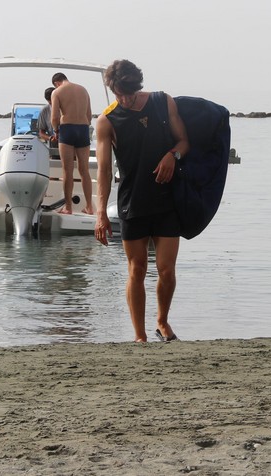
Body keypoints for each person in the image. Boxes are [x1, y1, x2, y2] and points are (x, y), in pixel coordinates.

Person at [94, 59, 189, 343]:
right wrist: (100, 213)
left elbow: (184, 141)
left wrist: (172, 155)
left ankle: (162, 322)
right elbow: (104, 170)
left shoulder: (162, 102)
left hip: (166, 199)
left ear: (138, 85)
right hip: (132, 201)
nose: (125, 99)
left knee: (166, 269)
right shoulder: (107, 120)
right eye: (119, 94)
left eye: (130, 93)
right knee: (137, 269)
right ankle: (139, 336)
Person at [50, 72, 94, 214]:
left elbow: (54, 117)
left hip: (67, 129)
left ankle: (68, 207)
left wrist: (56, 130)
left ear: (56, 83)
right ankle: (89, 206)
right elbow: (89, 115)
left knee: (67, 171)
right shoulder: (83, 90)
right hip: (83, 129)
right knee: (84, 170)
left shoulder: (57, 92)